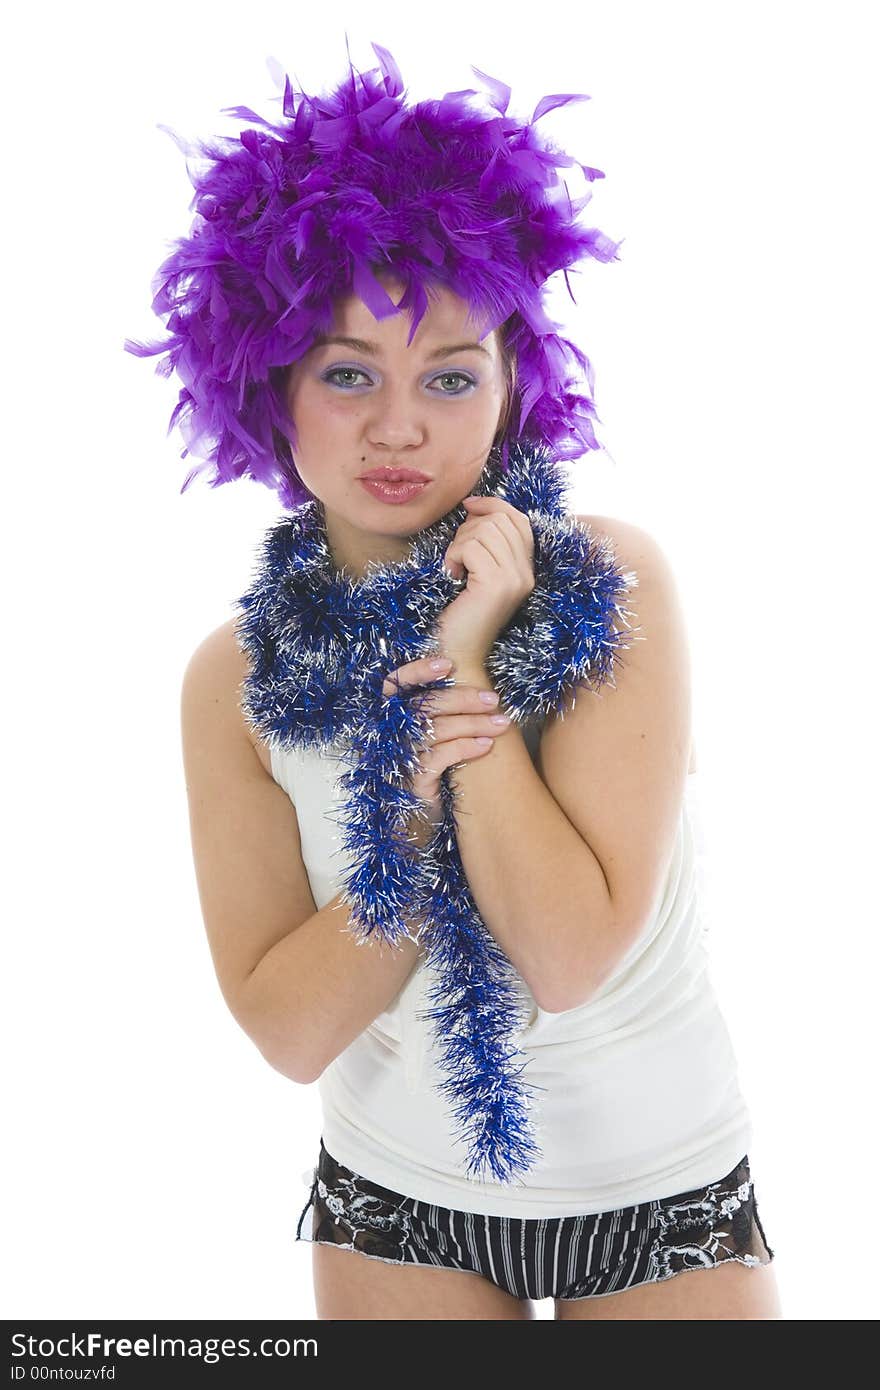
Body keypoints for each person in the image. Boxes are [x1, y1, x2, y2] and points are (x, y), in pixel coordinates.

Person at [132, 42, 781, 1320]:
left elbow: (567, 952)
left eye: (448, 375)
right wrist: (412, 808)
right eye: (347, 372)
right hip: (397, 1202)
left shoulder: (608, 585)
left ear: (512, 385)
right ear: (270, 389)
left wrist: (464, 671)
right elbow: (289, 1030)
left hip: (664, 1194)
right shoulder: (234, 680)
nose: (396, 428)